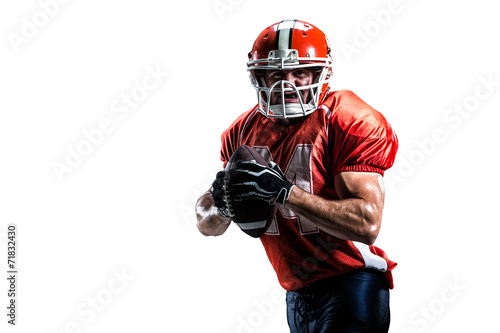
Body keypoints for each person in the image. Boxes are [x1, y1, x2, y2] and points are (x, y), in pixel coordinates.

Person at [195, 19, 398, 333]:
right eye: (276, 74)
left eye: (300, 72)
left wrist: (286, 193)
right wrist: (221, 204)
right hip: (296, 293)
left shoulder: (349, 119)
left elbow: (367, 224)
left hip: (352, 282)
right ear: (258, 75)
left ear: (323, 73)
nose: (286, 84)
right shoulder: (242, 131)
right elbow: (206, 223)